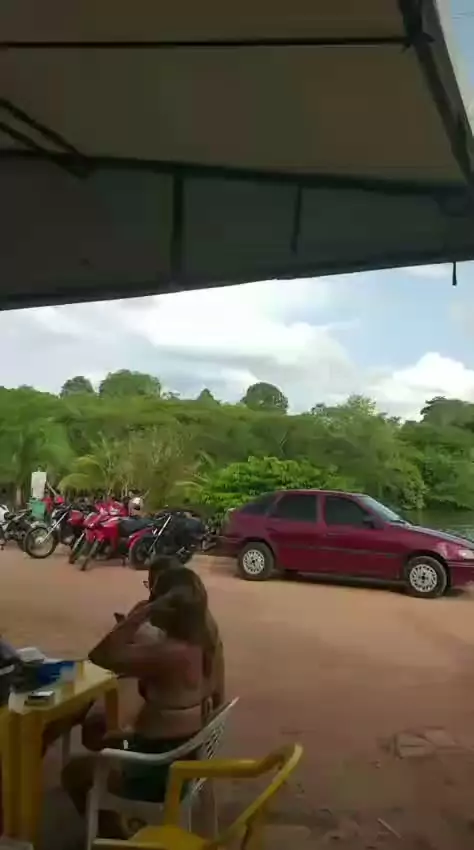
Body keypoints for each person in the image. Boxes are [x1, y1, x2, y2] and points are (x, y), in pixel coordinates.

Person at [61, 565, 224, 822]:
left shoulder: (168, 654)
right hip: (178, 753)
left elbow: (100, 656)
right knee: (106, 737)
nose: (149, 598)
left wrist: (142, 613)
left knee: (73, 773)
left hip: (154, 769)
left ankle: (113, 833)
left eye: (154, 594)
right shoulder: (206, 642)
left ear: (166, 606)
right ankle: (122, 823)